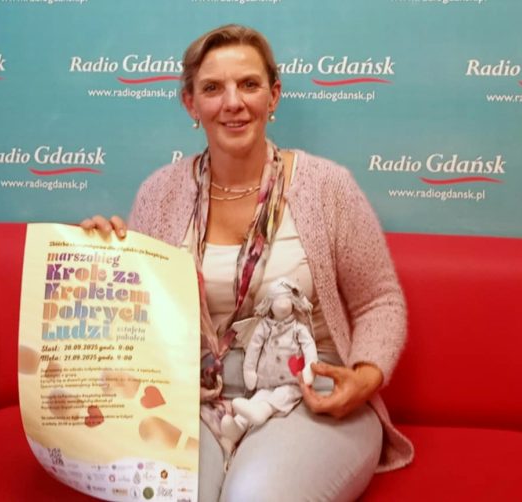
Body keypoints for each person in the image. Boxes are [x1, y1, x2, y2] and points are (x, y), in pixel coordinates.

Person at [81, 24, 413, 502]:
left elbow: (379, 301)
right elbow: (142, 323)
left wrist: (364, 378)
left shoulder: (327, 187)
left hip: (307, 398)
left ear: (273, 96)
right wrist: (104, 263)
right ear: (191, 104)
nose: (233, 102)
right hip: (191, 401)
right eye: (213, 88)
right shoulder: (160, 193)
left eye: (249, 84)